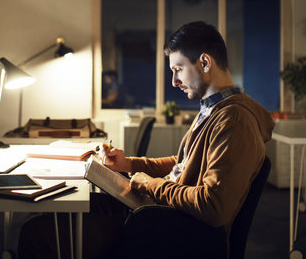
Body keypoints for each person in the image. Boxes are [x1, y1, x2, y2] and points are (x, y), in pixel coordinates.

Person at [18, 21, 274, 258]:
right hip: (160, 215)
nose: (174, 81)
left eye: (178, 69)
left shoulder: (234, 121)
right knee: (60, 210)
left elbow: (214, 206)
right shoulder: (214, 109)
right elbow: (184, 162)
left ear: (205, 62)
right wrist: (129, 165)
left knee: (37, 234)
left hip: (173, 233)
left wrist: (151, 185)